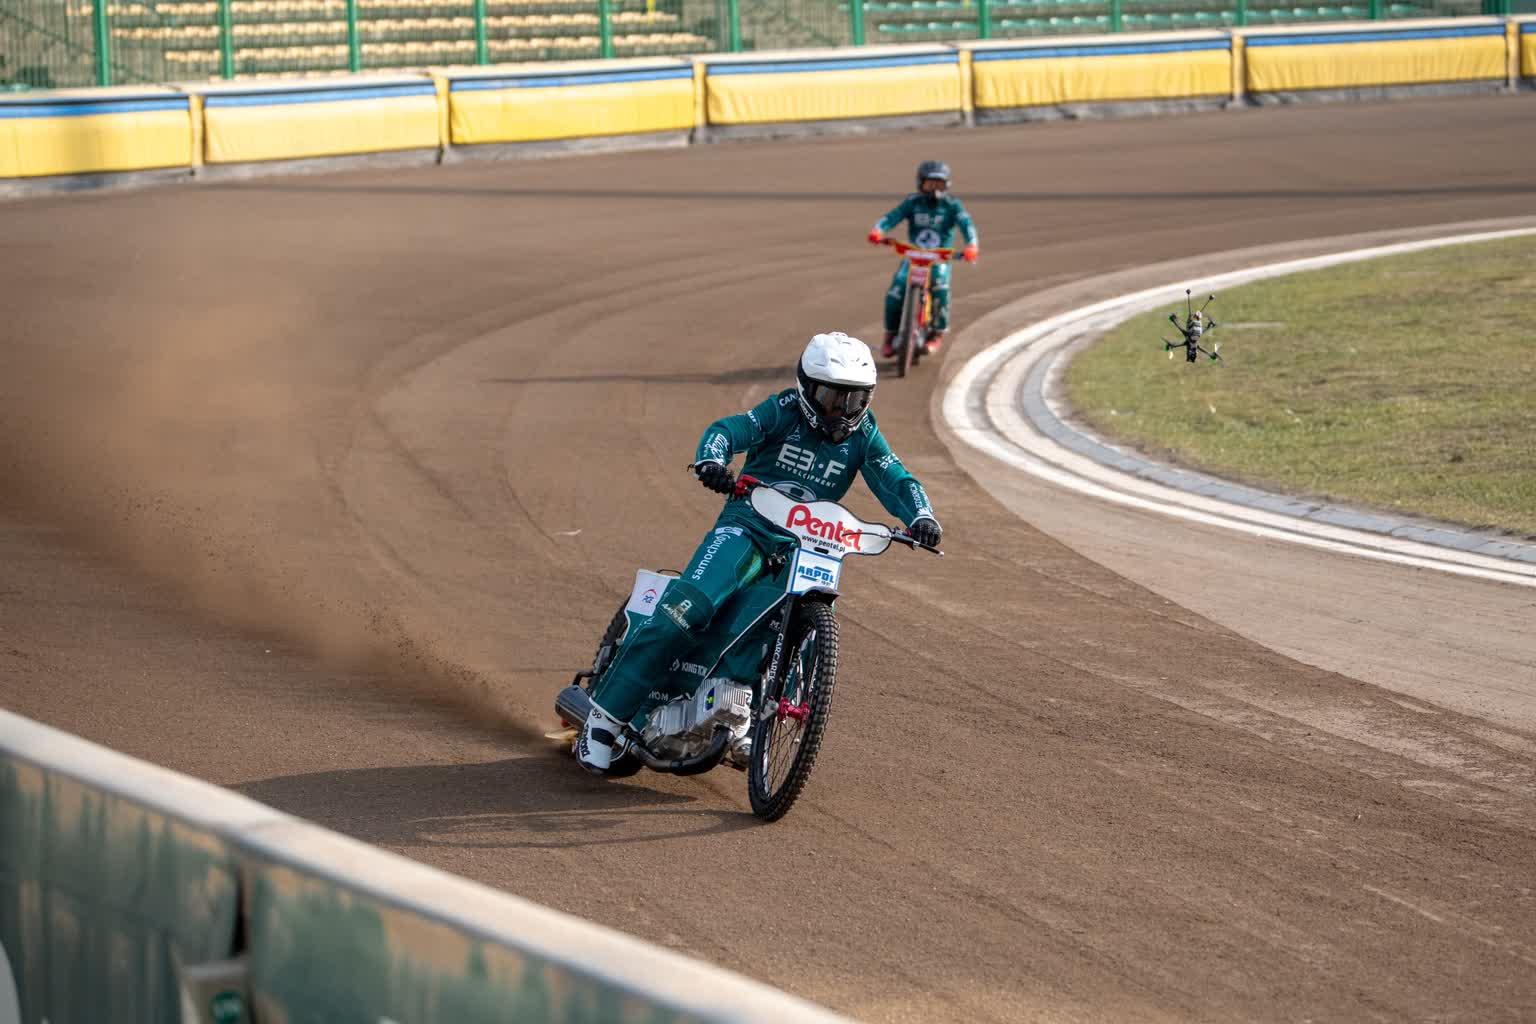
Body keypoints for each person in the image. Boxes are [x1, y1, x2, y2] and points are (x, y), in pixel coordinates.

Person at [577, 331, 944, 773]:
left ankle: (745, 716)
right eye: (831, 396)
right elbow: (730, 430)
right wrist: (713, 460)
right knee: (686, 609)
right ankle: (604, 719)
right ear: (807, 388)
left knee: (770, 631)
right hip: (746, 527)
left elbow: (895, 478)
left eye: (854, 399)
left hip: (808, 547)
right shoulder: (783, 410)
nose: (841, 411)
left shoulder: (864, 433)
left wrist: (922, 516)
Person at [867, 159, 980, 358]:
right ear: (921, 183)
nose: (935, 189)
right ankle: (889, 336)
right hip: (913, 255)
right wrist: (878, 230)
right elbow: (892, 216)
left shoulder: (952, 205)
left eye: (939, 184)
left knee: (940, 288)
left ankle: (936, 333)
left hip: (939, 258)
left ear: (947, 185)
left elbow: (966, 223)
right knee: (895, 291)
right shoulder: (912, 202)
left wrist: (972, 245)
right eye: (930, 183)